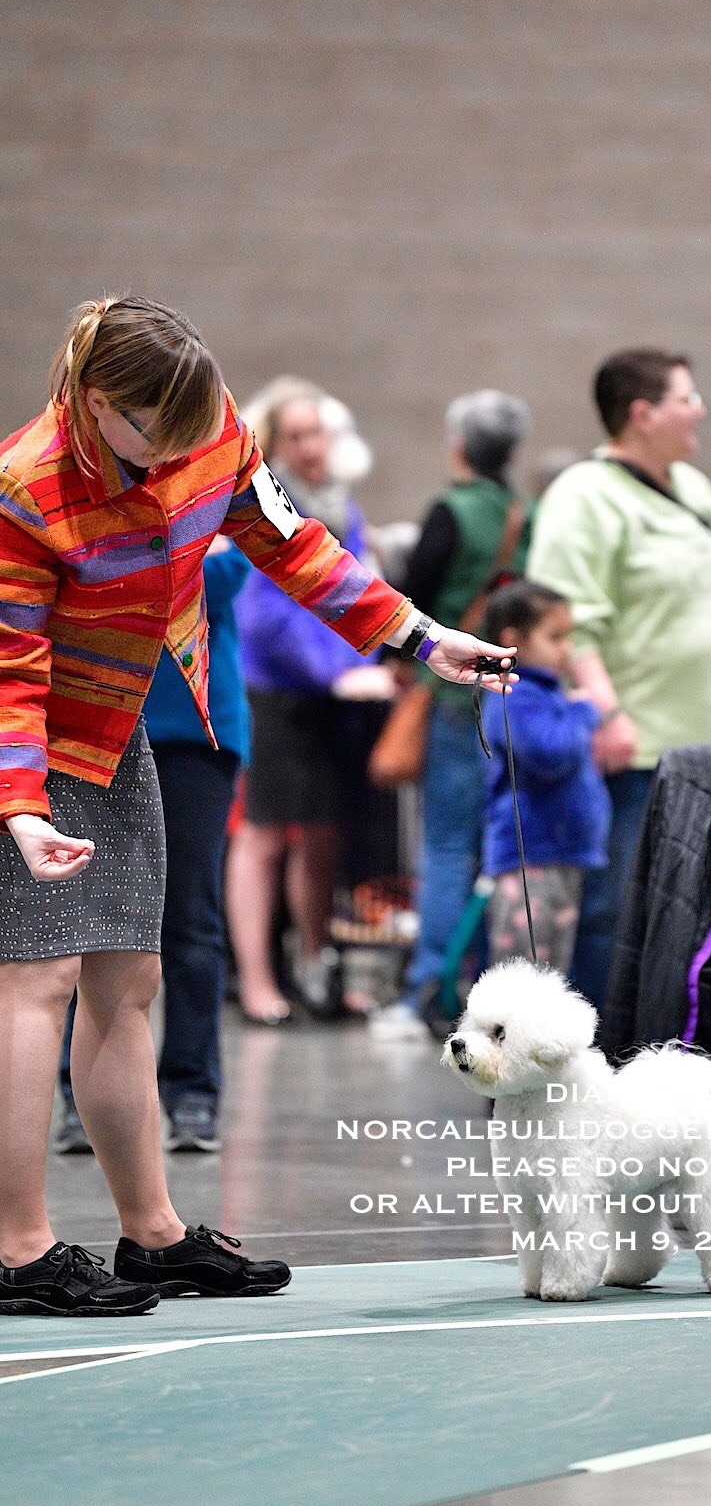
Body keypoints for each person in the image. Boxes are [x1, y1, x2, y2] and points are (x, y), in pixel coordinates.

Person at [0, 295, 515, 1315]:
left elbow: (299, 546)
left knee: (129, 980)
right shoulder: (26, 488)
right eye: (165, 434)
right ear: (98, 404)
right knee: (37, 982)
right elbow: (8, 667)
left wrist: (419, 637)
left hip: (118, 734)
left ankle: (151, 1236)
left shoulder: (209, 427)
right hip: (31, 752)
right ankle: (18, 1251)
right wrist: (19, 807)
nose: (191, 450)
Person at [528, 347, 711, 1007]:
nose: (701, 412)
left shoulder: (698, 491)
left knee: (706, 918)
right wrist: (606, 713)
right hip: (639, 749)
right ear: (642, 414)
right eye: (687, 399)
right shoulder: (585, 496)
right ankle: (600, 1062)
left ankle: (677, 1055)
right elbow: (570, 620)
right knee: (618, 914)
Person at [55, 534, 251, 1155]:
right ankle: (79, 1097)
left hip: (196, 732)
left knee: (191, 920)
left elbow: (215, 587)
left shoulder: (219, 493)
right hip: (92, 723)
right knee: (80, 918)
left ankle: (192, 1093)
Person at [226, 378, 394, 1024]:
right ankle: (257, 981)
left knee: (323, 837)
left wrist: (365, 663)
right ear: (275, 445)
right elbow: (269, 615)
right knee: (264, 836)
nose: (309, 446)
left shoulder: (342, 503)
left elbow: (357, 589)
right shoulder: (266, 504)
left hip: (330, 695)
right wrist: (334, 672)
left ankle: (315, 966)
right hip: (273, 692)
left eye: (316, 432)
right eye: (295, 436)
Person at [369, 390, 531, 1041]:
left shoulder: (452, 511)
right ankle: (490, 993)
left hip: (452, 701)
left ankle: (427, 992)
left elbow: (415, 598)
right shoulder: (527, 513)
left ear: (458, 445)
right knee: (497, 851)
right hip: (510, 695)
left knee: (445, 847)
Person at [479, 580, 611, 972]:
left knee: (553, 969)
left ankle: (540, 1036)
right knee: (521, 969)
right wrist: (584, 712)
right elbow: (549, 754)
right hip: (530, 856)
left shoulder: (547, 693)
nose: (566, 649)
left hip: (561, 852)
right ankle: (508, 1035)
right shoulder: (513, 695)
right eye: (555, 637)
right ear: (512, 640)